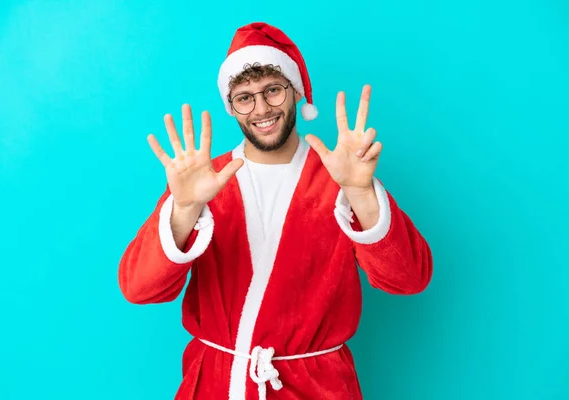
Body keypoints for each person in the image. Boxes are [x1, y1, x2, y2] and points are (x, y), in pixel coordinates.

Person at [118, 21, 433, 400]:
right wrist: (185, 207)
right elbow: (139, 289)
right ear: (231, 108)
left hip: (318, 388)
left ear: (296, 92)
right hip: (218, 385)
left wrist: (361, 192)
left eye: (273, 91)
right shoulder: (203, 182)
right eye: (244, 97)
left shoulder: (341, 175)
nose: (261, 108)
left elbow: (409, 279)